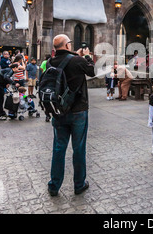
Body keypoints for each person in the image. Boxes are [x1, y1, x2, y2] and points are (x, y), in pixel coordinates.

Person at [47, 34, 95, 197]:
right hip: (78, 111)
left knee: (59, 148)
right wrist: (87, 55)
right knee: (78, 148)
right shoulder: (77, 60)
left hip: (58, 111)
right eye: (70, 43)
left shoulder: (50, 62)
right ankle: (79, 184)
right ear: (67, 46)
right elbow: (92, 70)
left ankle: (54, 186)